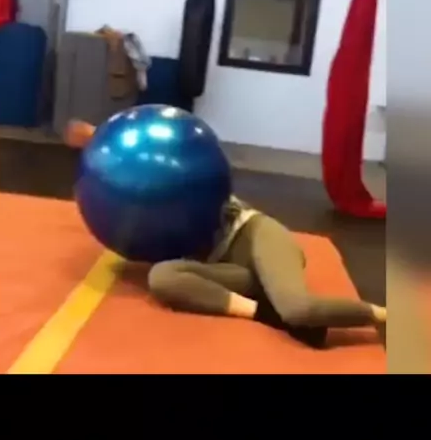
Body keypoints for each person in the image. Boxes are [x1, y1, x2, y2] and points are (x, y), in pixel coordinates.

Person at [65, 120, 387, 349]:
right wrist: (97, 140)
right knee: (161, 278)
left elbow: (156, 145)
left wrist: (97, 133)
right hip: (225, 268)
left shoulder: (191, 178)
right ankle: (266, 313)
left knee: (297, 310)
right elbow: (130, 153)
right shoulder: (140, 203)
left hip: (254, 236)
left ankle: (383, 315)